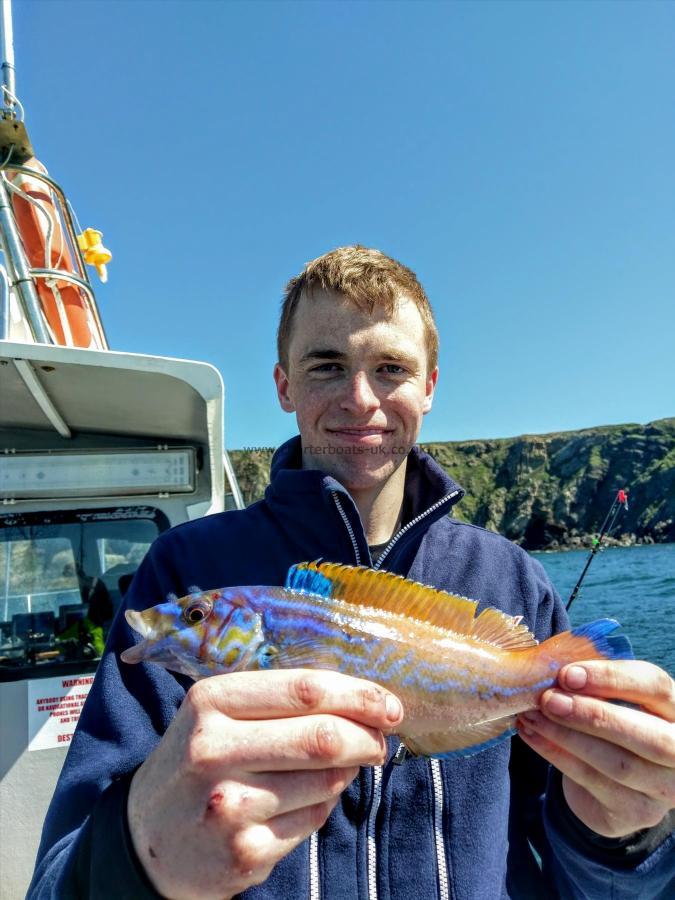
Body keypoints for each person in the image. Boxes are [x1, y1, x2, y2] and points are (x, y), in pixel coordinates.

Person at [29, 247, 674, 899]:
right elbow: (55, 878)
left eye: (390, 368)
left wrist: (621, 832)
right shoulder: (182, 565)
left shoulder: (513, 578)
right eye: (327, 366)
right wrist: (137, 850)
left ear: (429, 386)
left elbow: (590, 876)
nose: (359, 398)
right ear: (283, 384)